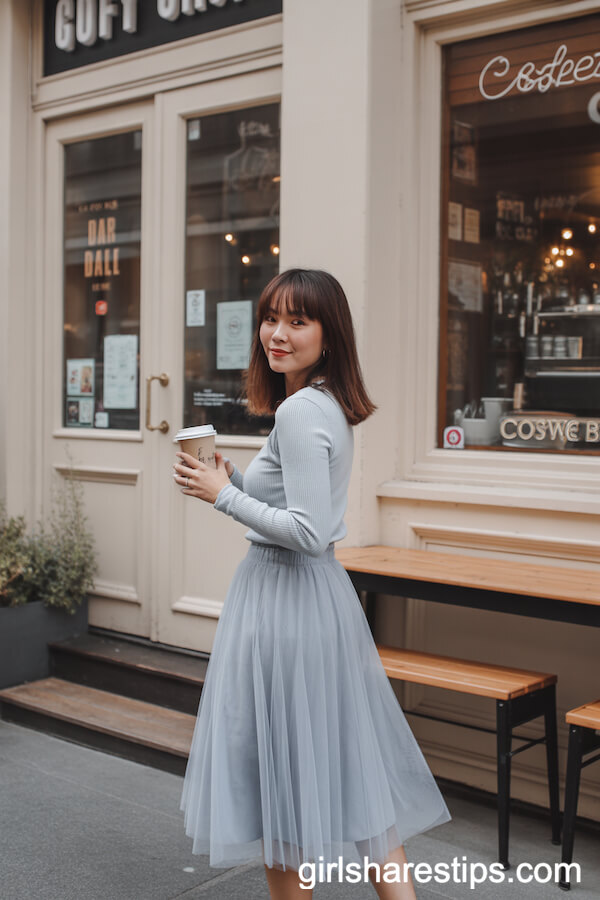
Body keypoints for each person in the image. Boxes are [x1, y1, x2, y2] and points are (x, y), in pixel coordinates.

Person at [175, 269, 451, 899]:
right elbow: (304, 514)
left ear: (328, 336)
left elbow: (303, 529)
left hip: (286, 599)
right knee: (353, 772)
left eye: (298, 321)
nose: (277, 333)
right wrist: (235, 481)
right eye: (272, 317)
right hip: (317, 596)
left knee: (280, 786)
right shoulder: (323, 402)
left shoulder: (300, 411)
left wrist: (221, 497)